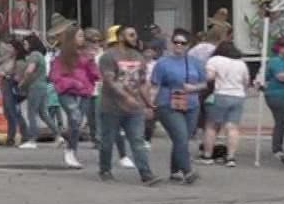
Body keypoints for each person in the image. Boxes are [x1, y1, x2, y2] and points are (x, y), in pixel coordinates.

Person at [96, 25, 157, 185]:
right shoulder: (108, 57)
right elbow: (110, 81)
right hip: (112, 107)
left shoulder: (138, 56)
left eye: (135, 35)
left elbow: (142, 82)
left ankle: (146, 174)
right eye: (131, 35)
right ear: (121, 37)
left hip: (134, 108)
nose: (135, 38)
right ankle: (105, 170)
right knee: (107, 140)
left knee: (137, 140)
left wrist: (148, 102)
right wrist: (125, 97)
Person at [150, 29, 206, 184]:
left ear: (188, 45)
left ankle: (175, 171)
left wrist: (193, 88)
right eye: (176, 42)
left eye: (183, 43)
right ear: (171, 44)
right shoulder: (162, 63)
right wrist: (149, 104)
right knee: (180, 136)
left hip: (191, 103)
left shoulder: (195, 62)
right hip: (167, 103)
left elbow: (204, 83)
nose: (179, 46)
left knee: (182, 139)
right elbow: (154, 85)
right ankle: (188, 171)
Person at [49, 29, 99, 168]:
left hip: (84, 92)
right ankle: (70, 150)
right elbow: (55, 76)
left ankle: (71, 146)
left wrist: (92, 63)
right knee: (75, 116)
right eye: (80, 35)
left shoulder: (86, 55)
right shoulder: (61, 57)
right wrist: (73, 83)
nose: (83, 38)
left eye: (83, 35)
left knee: (77, 122)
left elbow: (95, 75)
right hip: (67, 91)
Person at [203, 40, 253, 167]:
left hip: (220, 94)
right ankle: (231, 157)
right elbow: (246, 82)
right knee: (232, 127)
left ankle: (207, 155)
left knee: (212, 126)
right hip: (238, 96)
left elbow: (209, 77)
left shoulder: (215, 60)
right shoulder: (241, 63)